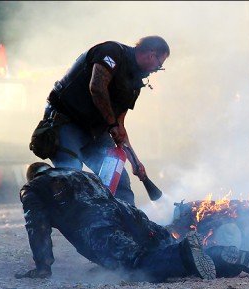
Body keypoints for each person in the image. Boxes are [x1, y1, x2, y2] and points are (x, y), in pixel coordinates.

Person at [15, 162, 249, 282]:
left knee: (138, 263)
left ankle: (185, 254)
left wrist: (43, 266)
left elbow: (35, 225)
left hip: (98, 225)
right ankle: (223, 256)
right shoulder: (79, 173)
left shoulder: (34, 187)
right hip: (128, 213)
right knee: (162, 245)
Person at [39, 35, 170, 206]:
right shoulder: (112, 52)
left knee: (120, 182)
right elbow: (97, 87)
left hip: (94, 132)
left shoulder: (134, 84)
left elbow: (119, 126)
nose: (156, 69)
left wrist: (135, 162)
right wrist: (113, 125)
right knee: (71, 178)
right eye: (159, 65)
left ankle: (128, 227)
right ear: (151, 54)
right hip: (65, 122)